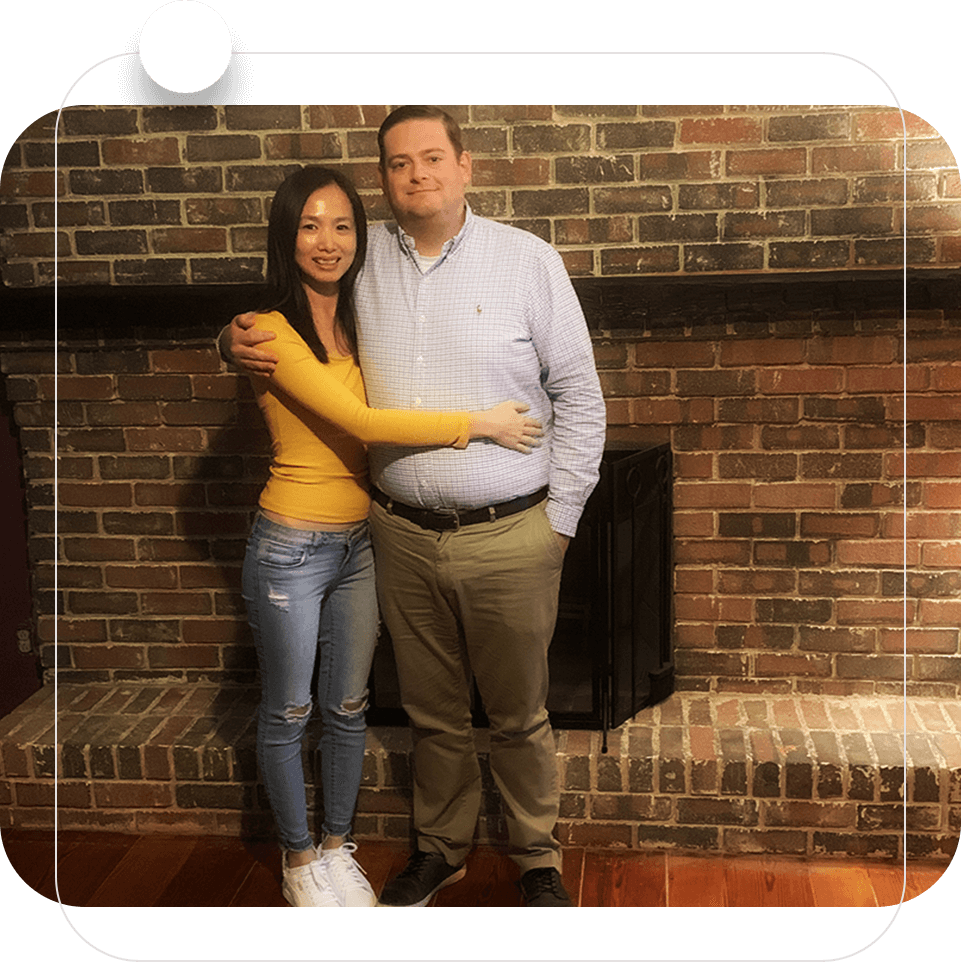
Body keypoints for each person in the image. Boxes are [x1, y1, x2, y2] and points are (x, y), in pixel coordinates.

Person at [224, 106, 607, 908]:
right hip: (395, 535)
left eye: (432, 158)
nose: (416, 175)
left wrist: (559, 523)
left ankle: (536, 856)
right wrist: (227, 340)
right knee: (432, 713)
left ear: (465, 165)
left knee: (517, 714)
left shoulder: (527, 262)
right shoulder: (362, 267)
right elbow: (295, 319)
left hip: (512, 533)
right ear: (384, 178)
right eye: (398, 164)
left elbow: (579, 395)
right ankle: (439, 848)